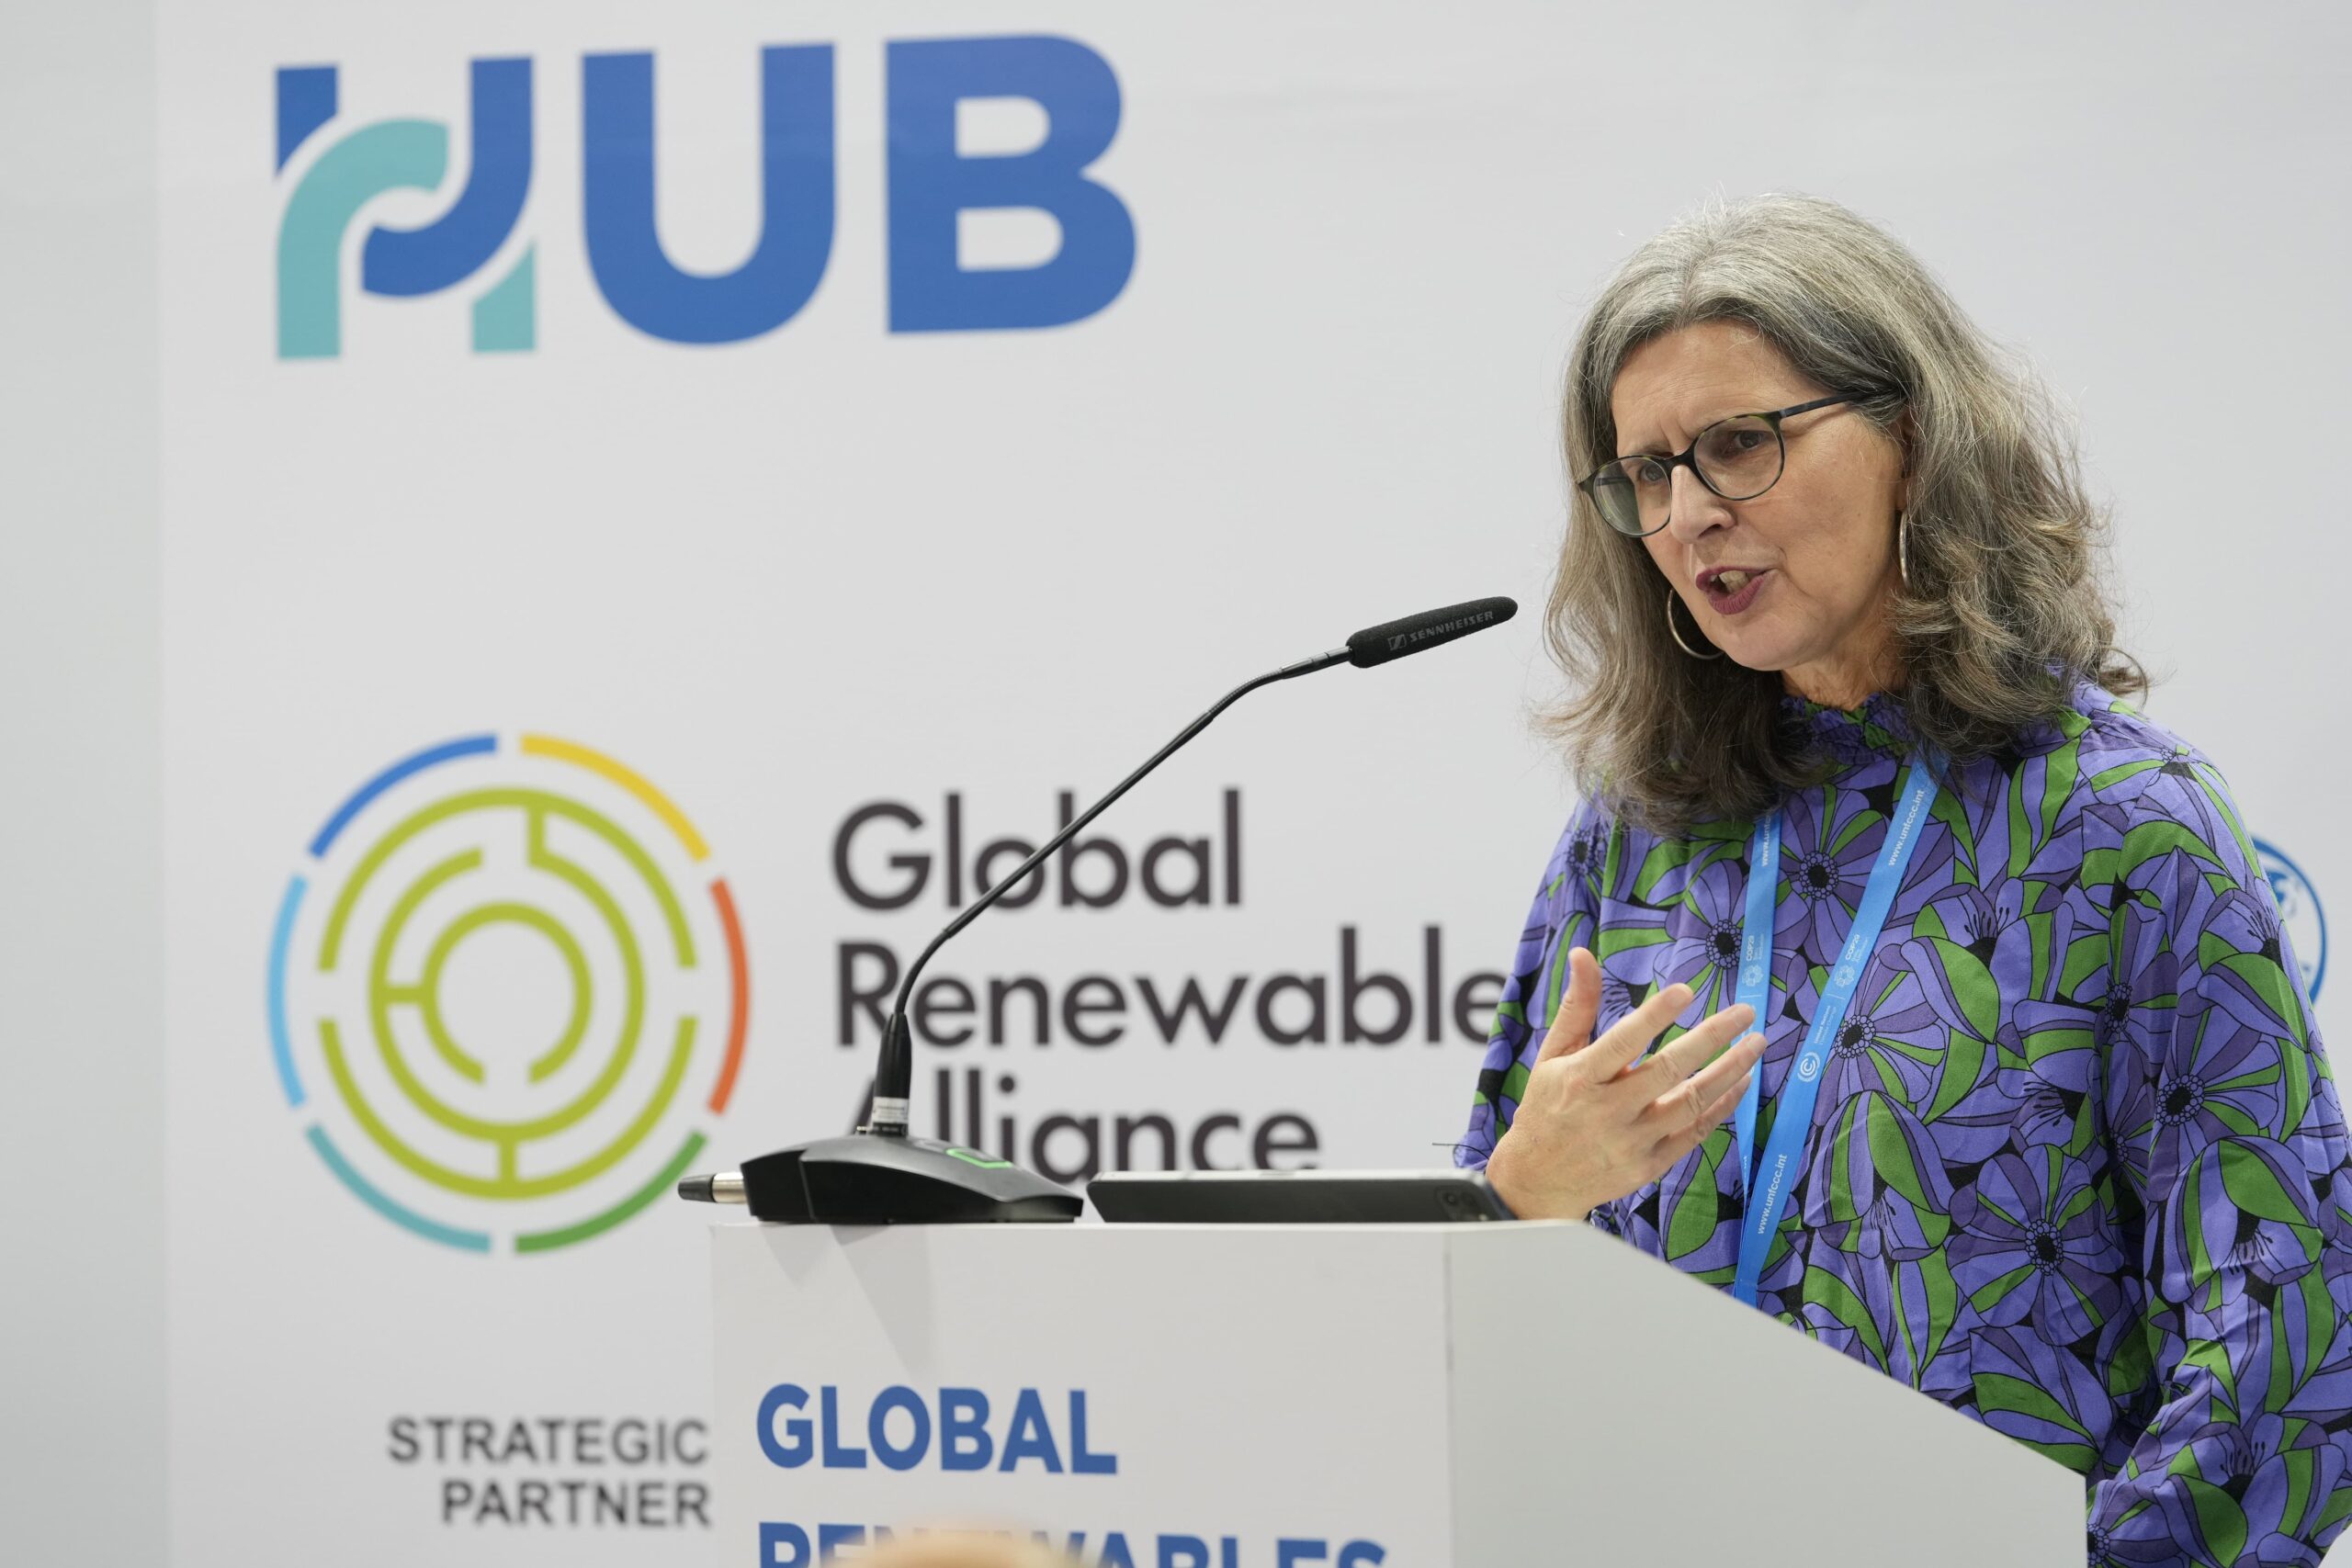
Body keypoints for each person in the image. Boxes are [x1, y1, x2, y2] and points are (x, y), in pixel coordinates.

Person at [1456, 194, 2350, 1564]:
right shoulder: (1635, 833)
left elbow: (2292, 1330)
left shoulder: (2122, 830)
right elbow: (1473, 1311)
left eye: (1739, 444)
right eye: (1646, 472)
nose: (1688, 513)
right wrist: (1518, 1196)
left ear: (1915, 443)